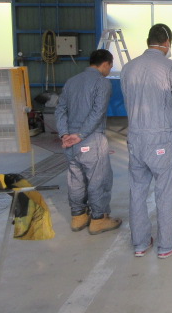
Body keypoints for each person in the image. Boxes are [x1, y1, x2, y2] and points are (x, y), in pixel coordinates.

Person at [120, 24, 172, 259]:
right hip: (162, 138)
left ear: (148, 41)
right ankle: (167, 244)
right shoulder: (171, 67)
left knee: (137, 190)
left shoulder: (128, 68)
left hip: (135, 137)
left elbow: (128, 101)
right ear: (167, 42)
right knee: (166, 191)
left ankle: (140, 243)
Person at [55, 49, 122, 235]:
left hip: (70, 143)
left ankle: (78, 217)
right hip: (91, 139)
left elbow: (60, 110)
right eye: (110, 66)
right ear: (106, 64)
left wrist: (64, 134)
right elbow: (98, 112)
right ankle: (98, 219)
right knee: (98, 179)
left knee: (75, 179)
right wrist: (81, 134)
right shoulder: (102, 83)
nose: (109, 70)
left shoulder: (71, 81)